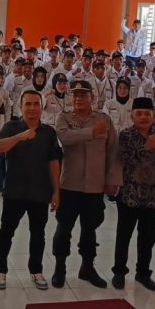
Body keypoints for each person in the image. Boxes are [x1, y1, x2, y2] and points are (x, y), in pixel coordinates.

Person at [50, 80, 120, 289]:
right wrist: (91, 133)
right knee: (64, 229)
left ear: (92, 97)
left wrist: (112, 180)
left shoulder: (104, 119)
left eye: (83, 95)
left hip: (94, 186)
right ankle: (59, 268)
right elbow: (65, 137)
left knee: (90, 230)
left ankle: (87, 268)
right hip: (69, 185)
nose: (78, 98)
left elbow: (113, 152)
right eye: (75, 95)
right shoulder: (64, 117)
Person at [0, 90, 63, 291]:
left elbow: (54, 162)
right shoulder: (11, 126)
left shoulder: (48, 132)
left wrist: (56, 191)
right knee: (6, 232)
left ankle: (36, 270)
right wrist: (20, 137)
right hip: (15, 190)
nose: (32, 108)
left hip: (40, 191)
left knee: (38, 234)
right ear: (21, 107)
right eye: (28, 104)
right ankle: (0, 270)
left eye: (36, 104)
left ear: (42, 107)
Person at [111, 97, 155, 291]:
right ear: (132, 116)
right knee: (123, 236)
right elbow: (125, 160)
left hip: (153, 198)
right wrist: (145, 148)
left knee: (148, 239)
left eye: (147, 114)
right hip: (129, 196)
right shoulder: (125, 135)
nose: (143, 117)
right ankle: (119, 272)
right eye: (139, 114)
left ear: (154, 117)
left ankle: (143, 273)